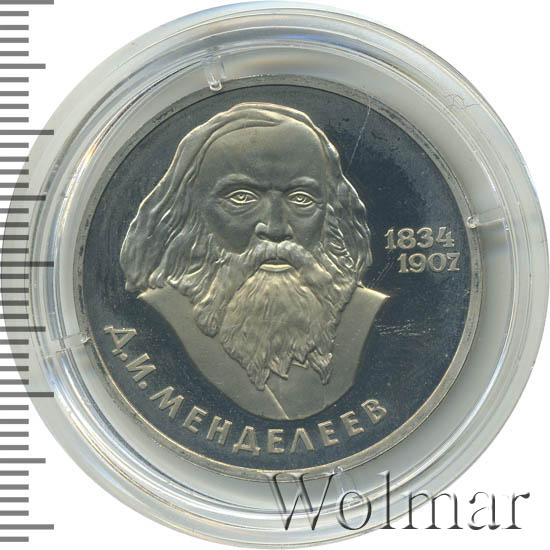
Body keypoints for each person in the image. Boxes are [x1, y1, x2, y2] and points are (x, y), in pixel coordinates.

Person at [120, 103, 388, 420]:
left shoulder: (369, 316)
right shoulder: (158, 317)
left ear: (329, 213)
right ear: (190, 213)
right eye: (241, 197)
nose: (275, 228)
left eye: (301, 198)